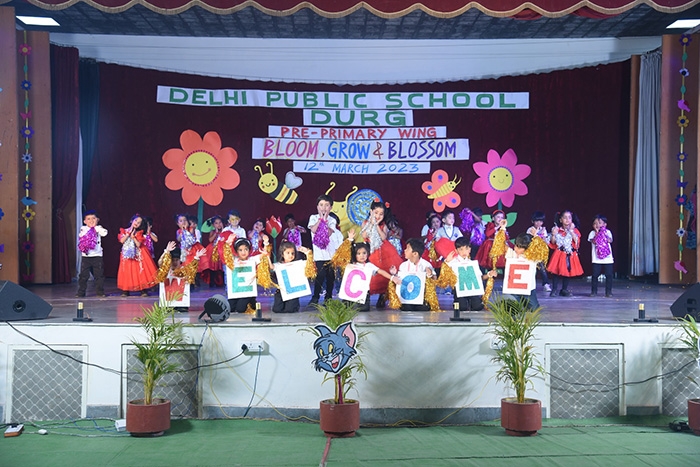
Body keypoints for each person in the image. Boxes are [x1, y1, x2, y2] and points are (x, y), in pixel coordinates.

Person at [359, 200, 403, 309]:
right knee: (370, 275)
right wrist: (371, 223)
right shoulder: (365, 223)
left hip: (383, 252)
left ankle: (382, 296)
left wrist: (377, 225)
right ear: (371, 212)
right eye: (376, 213)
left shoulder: (384, 225)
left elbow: (383, 237)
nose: (378, 216)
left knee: (384, 274)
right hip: (369, 251)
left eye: (381, 214)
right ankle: (366, 298)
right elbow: (364, 235)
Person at [344, 231, 401, 311]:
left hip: (363, 294)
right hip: (350, 294)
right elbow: (345, 253)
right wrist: (350, 239)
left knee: (363, 309)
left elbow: (381, 271)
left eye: (364, 253)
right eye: (359, 253)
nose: (362, 256)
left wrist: (392, 277)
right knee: (349, 309)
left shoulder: (369, 265)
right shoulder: (351, 264)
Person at [443, 236, 496, 312]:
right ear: (456, 251)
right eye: (461, 249)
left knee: (478, 307)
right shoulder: (452, 262)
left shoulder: (472, 263)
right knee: (462, 307)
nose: (464, 252)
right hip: (459, 290)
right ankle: (459, 302)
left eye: (466, 249)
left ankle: (471, 302)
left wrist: (489, 275)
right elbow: (444, 276)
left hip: (472, 290)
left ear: (470, 250)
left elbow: (479, 278)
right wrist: (447, 263)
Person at [155, 241, 206, 312]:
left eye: (177, 260)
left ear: (180, 260)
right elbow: (160, 263)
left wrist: (196, 257)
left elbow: (192, 268)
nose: (175, 262)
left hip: (181, 305)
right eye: (173, 260)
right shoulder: (166, 270)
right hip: (167, 304)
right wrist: (166, 251)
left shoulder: (183, 270)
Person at [308, 194, 340, 306]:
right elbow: (313, 230)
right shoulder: (313, 218)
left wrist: (325, 220)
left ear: (330, 207)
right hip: (319, 255)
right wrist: (320, 220)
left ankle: (328, 298)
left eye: (327, 205)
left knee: (330, 276)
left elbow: (329, 233)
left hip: (330, 255)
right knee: (320, 275)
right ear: (317, 207)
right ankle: (315, 297)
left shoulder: (332, 220)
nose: (324, 207)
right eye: (321, 205)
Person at [267, 240, 315, 313]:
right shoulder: (279, 265)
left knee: (290, 310)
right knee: (277, 309)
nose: (291, 255)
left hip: (293, 292)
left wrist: (307, 252)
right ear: (282, 254)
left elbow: (310, 263)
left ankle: (294, 305)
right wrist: (267, 256)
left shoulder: (298, 264)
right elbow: (271, 267)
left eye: (293, 253)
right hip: (282, 291)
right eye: (288, 253)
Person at [389, 238, 436, 311]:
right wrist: (394, 274)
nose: (405, 250)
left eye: (407, 249)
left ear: (415, 253)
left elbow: (434, 279)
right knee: (406, 308)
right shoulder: (403, 265)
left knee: (423, 308)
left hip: (421, 298)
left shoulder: (426, 264)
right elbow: (400, 281)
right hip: (407, 297)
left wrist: (430, 274)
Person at [117, 213, 158, 297]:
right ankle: (125, 290)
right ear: (132, 221)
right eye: (136, 221)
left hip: (138, 254)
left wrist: (133, 237)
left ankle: (143, 289)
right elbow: (122, 241)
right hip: (126, 254)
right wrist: (128, 234)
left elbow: (138, 244)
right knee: (127, 271)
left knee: (140, 270)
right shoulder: (124, 230)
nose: (137, 223)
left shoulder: (139, 232)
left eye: (139, 223)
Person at [222, 237, 266, 313]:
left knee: (240, 309)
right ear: (236, 251)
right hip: (236, 291)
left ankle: (252, 301)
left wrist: (266, 243)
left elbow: (263, 255)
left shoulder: (252, 260)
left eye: (246, 249)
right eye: (240, 250)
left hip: (247, 291)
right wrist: (228, 243)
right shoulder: (233, 260)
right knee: (230, 308)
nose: (243, 252)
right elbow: (226, 255)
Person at [547, 210, 583, 297]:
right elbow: (553, 242)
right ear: (560, 220)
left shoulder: (575, 230)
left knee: (567, 271)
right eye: (565, 217)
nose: (567, 219)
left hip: (569, 254)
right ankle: (554, 289)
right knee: (556, 272)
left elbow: (576, 241)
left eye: (569, 217)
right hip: (559, 253)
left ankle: (564, 289)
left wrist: (571, 231)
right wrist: (553, 234)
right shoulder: (557, 230)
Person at [76, 210, 108, 298]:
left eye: (93, 218)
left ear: (97, 220)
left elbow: (104, 233)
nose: (91, 221)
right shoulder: (83, 228)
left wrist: (96, 228)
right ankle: (81, 292)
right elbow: (82, 235)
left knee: (99, 275)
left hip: (97, 256)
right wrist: (92, 229)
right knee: (83, 275)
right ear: (85, 221)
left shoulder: (98, 228)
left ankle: (100, 292)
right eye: (88, 219)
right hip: (86, 257)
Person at [505, 233, 541, 309]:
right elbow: (501, 245)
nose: (516, 249)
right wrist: (502, 230)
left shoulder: (532, 257)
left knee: (534, 309)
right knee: (514, 308)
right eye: (516, 246)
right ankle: (520, 303)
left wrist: (536, 238)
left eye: (519, 248)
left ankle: (524, 302)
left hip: (528, 289)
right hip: (514, 289)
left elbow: (541, 251)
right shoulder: (512, 254)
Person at [588, 214, 614, 297]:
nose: (597, 225)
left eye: (599, 223)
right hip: (596, 259)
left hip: (608, 258)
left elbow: (609, 240)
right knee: (595, 275)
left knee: (609, 275)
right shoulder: (592, 233)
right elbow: (594, 241)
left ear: (605, 224)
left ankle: (608, 292)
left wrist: (603, 233)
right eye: (595, 223)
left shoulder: (608, 232)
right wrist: (597, 233)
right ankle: (594, 291)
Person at [526, 211, 551, 292]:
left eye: (540, 221)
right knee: (532, 269)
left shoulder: (543, 229)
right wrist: (536, 233)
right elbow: (529, 240)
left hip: (540, 253)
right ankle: (529, 284)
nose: (539, 223)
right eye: (537, 221)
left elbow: (545, 241)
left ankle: (546, 284)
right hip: (532, 253)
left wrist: (543, 235)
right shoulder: (530, 229)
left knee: (542, 269)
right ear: (533, 221)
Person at [204, 215, 225, 288]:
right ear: (213, 225)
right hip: (213, 250)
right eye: (216, 223)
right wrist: (216, 233)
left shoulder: (225, 231)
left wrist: (222, 230)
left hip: (222, 250)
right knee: (213, 265)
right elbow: (210, 240)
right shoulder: (212, 231)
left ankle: (221, 281)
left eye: (220, 222)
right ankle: (212, 281)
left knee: (221, 266)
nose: (218, 224)